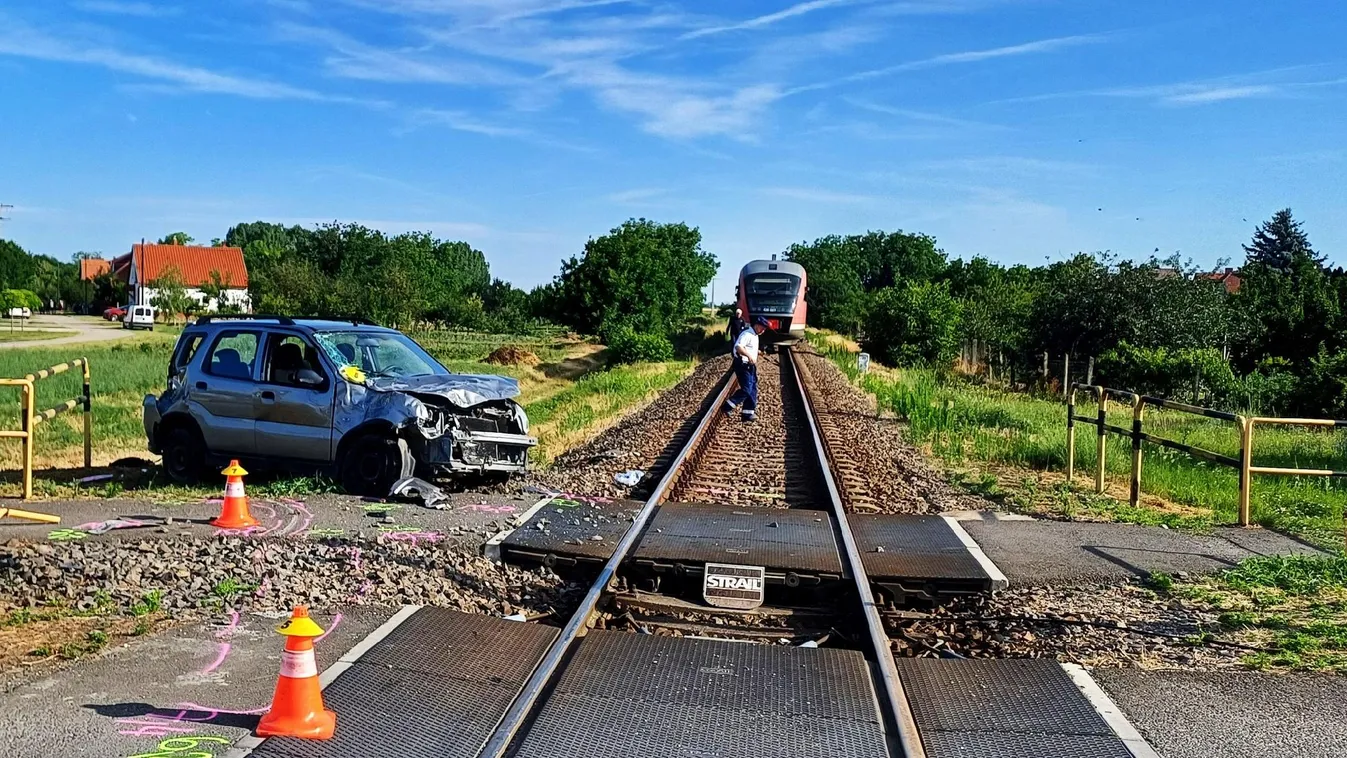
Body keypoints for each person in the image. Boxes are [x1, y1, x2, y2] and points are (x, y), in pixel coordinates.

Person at [725, 316, 768, 422]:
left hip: (750, 365)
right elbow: (738, 347)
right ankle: (728, 406)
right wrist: (749, 356)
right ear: (757, 325)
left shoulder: (755, 335)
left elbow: (749, 347)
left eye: (765, 329)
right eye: (762, 328)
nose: (763, 330)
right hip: (742, 364)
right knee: (746, 389)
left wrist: (757, 352)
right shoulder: (747, 334)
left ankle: (748, 413)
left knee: (753, 388)